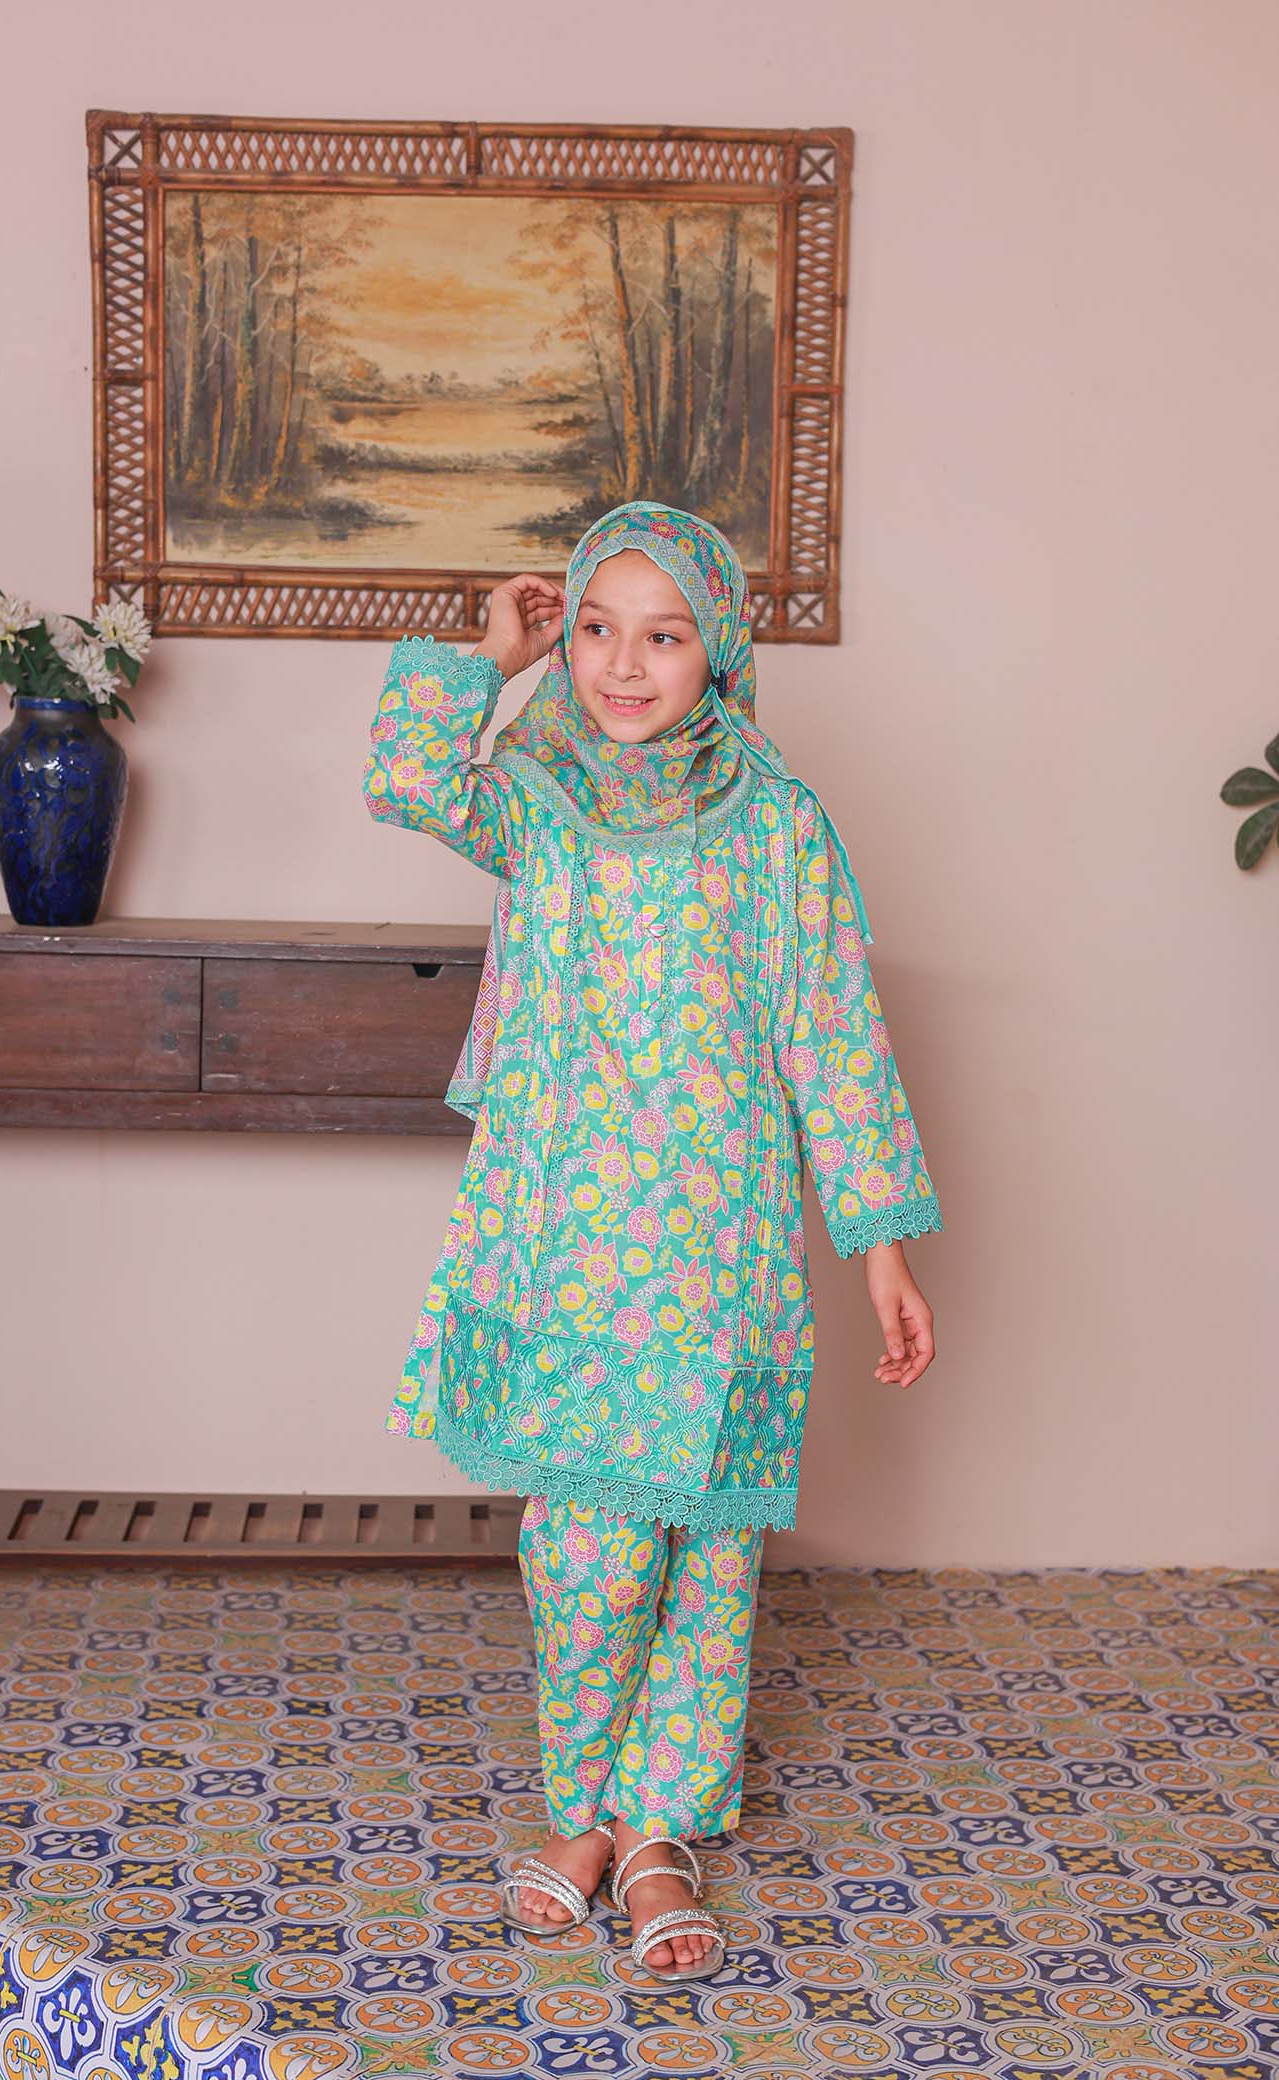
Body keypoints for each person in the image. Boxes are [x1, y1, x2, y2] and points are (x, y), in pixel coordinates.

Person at [361, 500, 942, 1981]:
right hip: (567, 1234)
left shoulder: (776, 822)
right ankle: (583, 1807)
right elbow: (405, 776)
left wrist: (880, 1244)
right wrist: (483, 659)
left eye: (665, 633)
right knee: (588, 1546)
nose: (625, 666)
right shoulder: (538, 789)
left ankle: (657, 1831)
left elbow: (832, 1032)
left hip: (724, 1239)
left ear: (718, 647)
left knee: (711, 1548)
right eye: (600, 627)